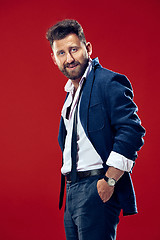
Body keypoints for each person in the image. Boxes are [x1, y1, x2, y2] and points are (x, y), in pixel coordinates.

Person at [46, 19, 145, 240]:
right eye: (61, 53)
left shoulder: (108, 82)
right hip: (71, 191)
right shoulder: (70, 95)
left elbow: (132, 131)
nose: (69, 59)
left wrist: (109, 180)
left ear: (87, 48)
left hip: (96, 188)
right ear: (54, 59)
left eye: (73, 49)